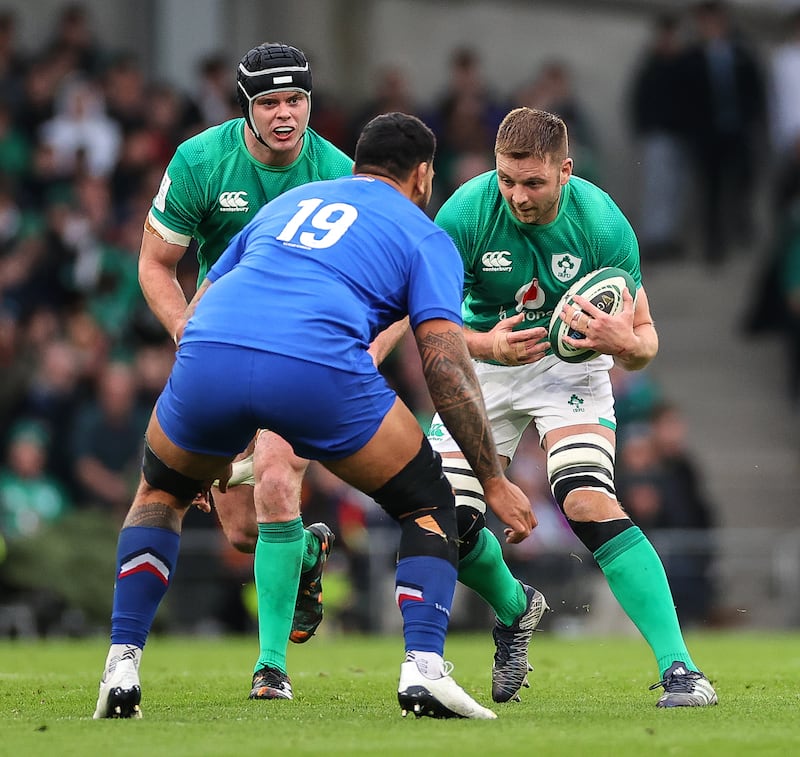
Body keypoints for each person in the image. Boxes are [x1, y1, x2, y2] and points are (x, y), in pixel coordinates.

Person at [92, 111, 534, 720]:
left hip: (209, 354)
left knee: (160, 492)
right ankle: (424, 670)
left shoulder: (292, 202)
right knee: (427, 501)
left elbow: (208, 300)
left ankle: (121, 667)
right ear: (423, 176)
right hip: (316, 367)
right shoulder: (425, 233)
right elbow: (444, 365)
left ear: (357, 165)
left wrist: (206, 435)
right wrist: (492, 479)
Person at [428, 106, 718, 708]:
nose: (517, 196)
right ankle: (515, 607)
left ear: (565, 170)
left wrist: (622, 344)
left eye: (532, 182)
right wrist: (488, 345)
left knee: (585, 497)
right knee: (442, 517)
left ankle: (682, 671)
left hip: (572, 367)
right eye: (507, 179)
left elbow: (645, 341)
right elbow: (434, 327)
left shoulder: (603, 225)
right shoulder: (463, 212)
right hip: (484, 361)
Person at [134, 42, 357, 700]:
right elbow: (154, 264)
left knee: (277, 484)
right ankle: (307, 553)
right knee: (240, 530)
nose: (285, 114)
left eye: (296, 100)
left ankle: (271, 669)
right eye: (269, 102)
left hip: (301, 354)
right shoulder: (201, 161)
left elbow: (375, 277)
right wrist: (186, 332)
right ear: (246, 108)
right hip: (222, 352)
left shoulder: (341, 174)